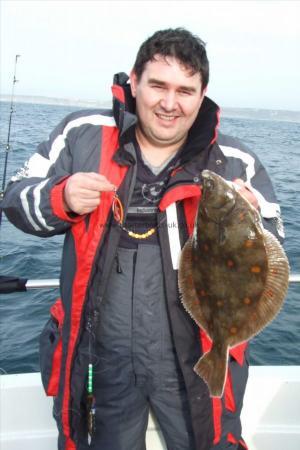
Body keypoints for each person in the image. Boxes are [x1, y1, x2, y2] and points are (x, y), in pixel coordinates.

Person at [2, 28, 284, 450]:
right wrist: (61, 197)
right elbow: (14, 198)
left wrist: (254, 221)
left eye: (186, 90)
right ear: (133, 82)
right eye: (158, 86)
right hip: (101, 356)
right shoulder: (82, 134)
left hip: (194, 361)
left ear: (202, 93)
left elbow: (275, 241)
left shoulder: (234, 161)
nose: (170, 104)